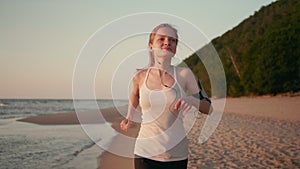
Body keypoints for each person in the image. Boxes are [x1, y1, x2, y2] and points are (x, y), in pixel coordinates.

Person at [120, 23, 212, 169]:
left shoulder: (185, 74)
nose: (167, 42)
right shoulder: (140, 75)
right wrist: (129, 115)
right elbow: (135, 94)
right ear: (151, 45)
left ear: (175, 48)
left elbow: (208, 108)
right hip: (145, 152)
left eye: (172, 40)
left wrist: (190, 100)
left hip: (176, 154)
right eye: (161, 39)